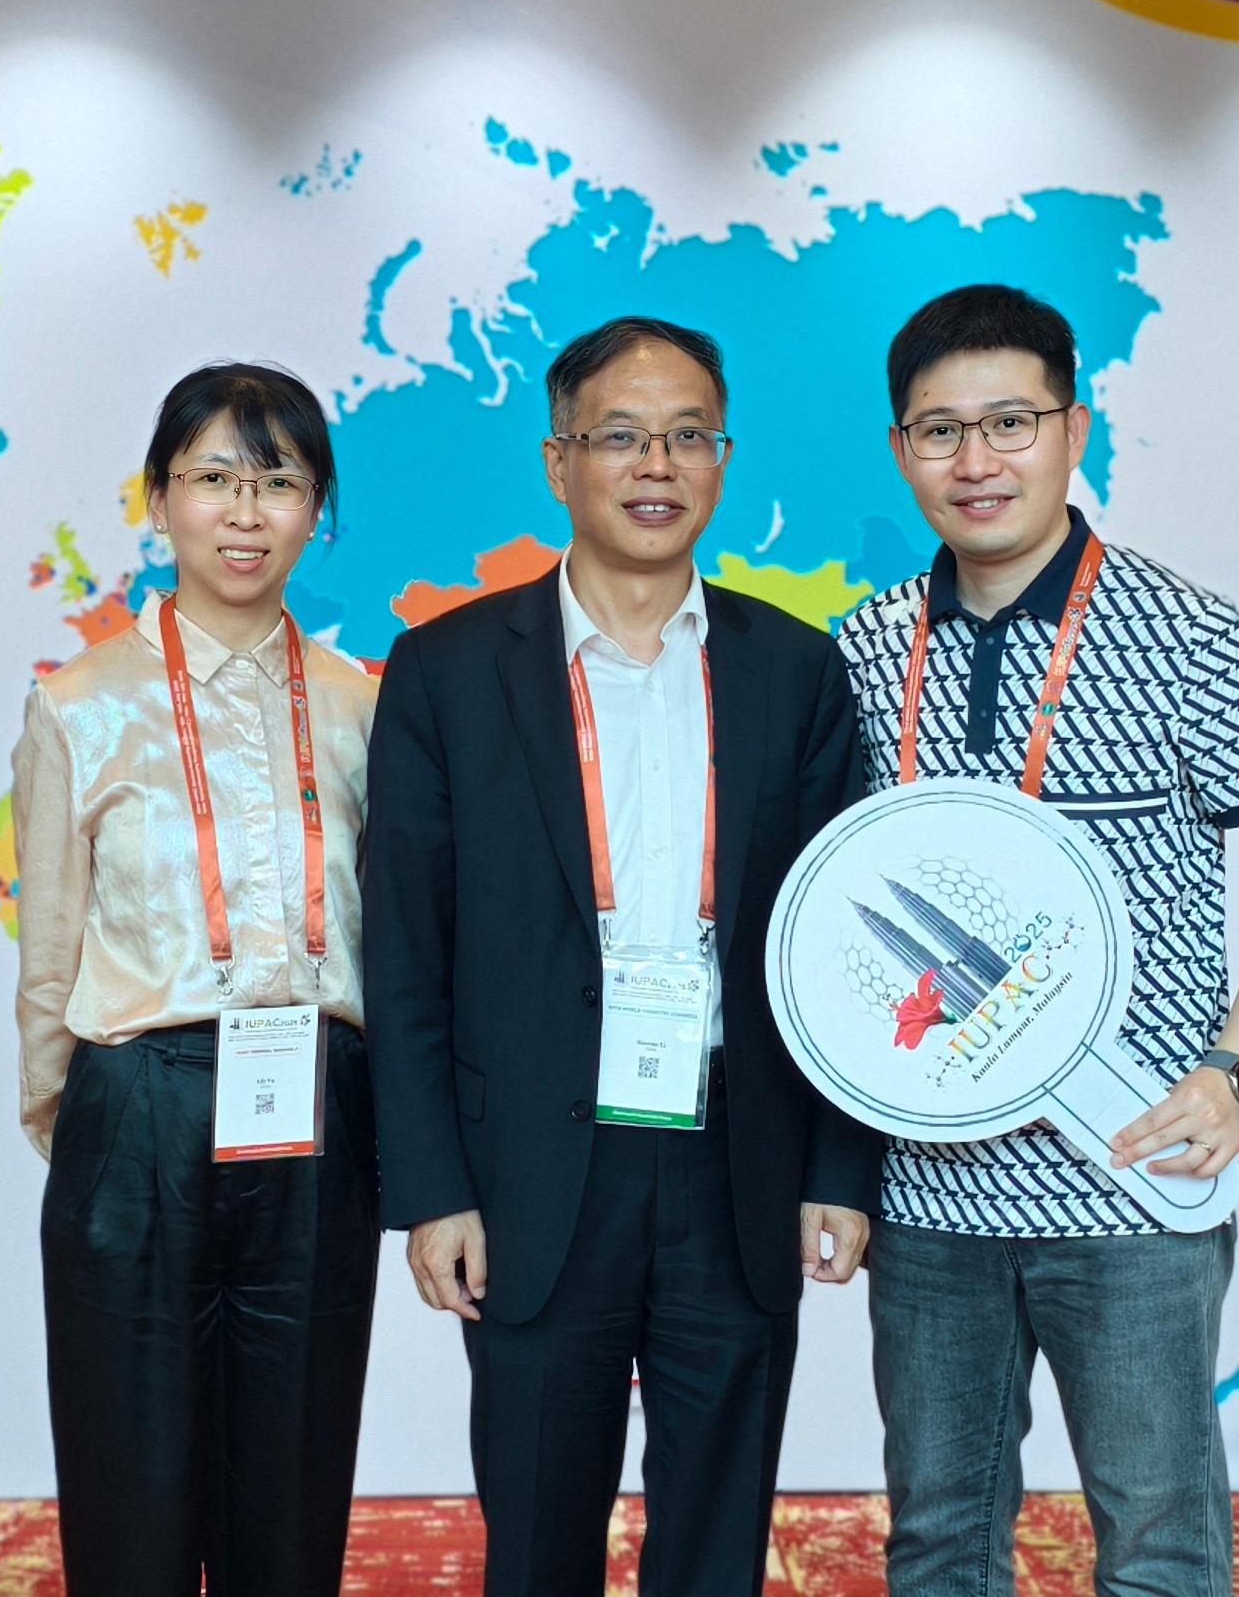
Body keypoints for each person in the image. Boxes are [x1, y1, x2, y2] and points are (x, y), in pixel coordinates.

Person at [835, 285, 1239, 1597]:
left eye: (1009, 422)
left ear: (1073, 430)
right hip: (930, 1191)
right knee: (938, 1539)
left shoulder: (1188, 634)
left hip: (1132, 1177)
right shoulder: (863, 649)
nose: (976, 460)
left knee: (1159, 1544)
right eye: (940, 431)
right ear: (901, 450)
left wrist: (1234, 1073)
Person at [362, 316, 883, 1597]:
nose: (657, 465)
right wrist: (432, 1191)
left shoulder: (796, 671)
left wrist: (837, 1167)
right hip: (533, 1170)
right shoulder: (446, 672)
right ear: (559, 462)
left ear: (722, 460)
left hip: (736, 1161)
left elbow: (842, 944)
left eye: (688, 435)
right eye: (620, 436)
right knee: (538, 1536)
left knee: (717, 1543)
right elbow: (406, 951)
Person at [12, 363, 382, 1597]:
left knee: (294, 1473)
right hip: (139, 1105)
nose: (244, 512)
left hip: (316, 1109)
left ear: (316, 507)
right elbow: (50, 946)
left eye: (279, 482)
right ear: (159, 498)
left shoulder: (361, 707)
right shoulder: (79, 707)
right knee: (133, 1480)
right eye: (214, 477)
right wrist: (73, 1121)